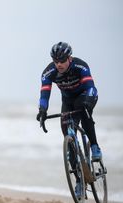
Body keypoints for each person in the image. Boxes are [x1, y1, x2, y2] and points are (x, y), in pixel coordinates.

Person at [36, 42, 102, 195]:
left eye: (62, 61)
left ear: (69, 58)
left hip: (86, 95)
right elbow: (44, 93)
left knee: (84, 112)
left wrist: (88, 102)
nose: (59, 64)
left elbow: (91, 86)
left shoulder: (80, 66)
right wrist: (42, 110)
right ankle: (79, 180)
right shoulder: (49, 72)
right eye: (56, 61)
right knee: (67, 134)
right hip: (68, 101)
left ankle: (94, 146)